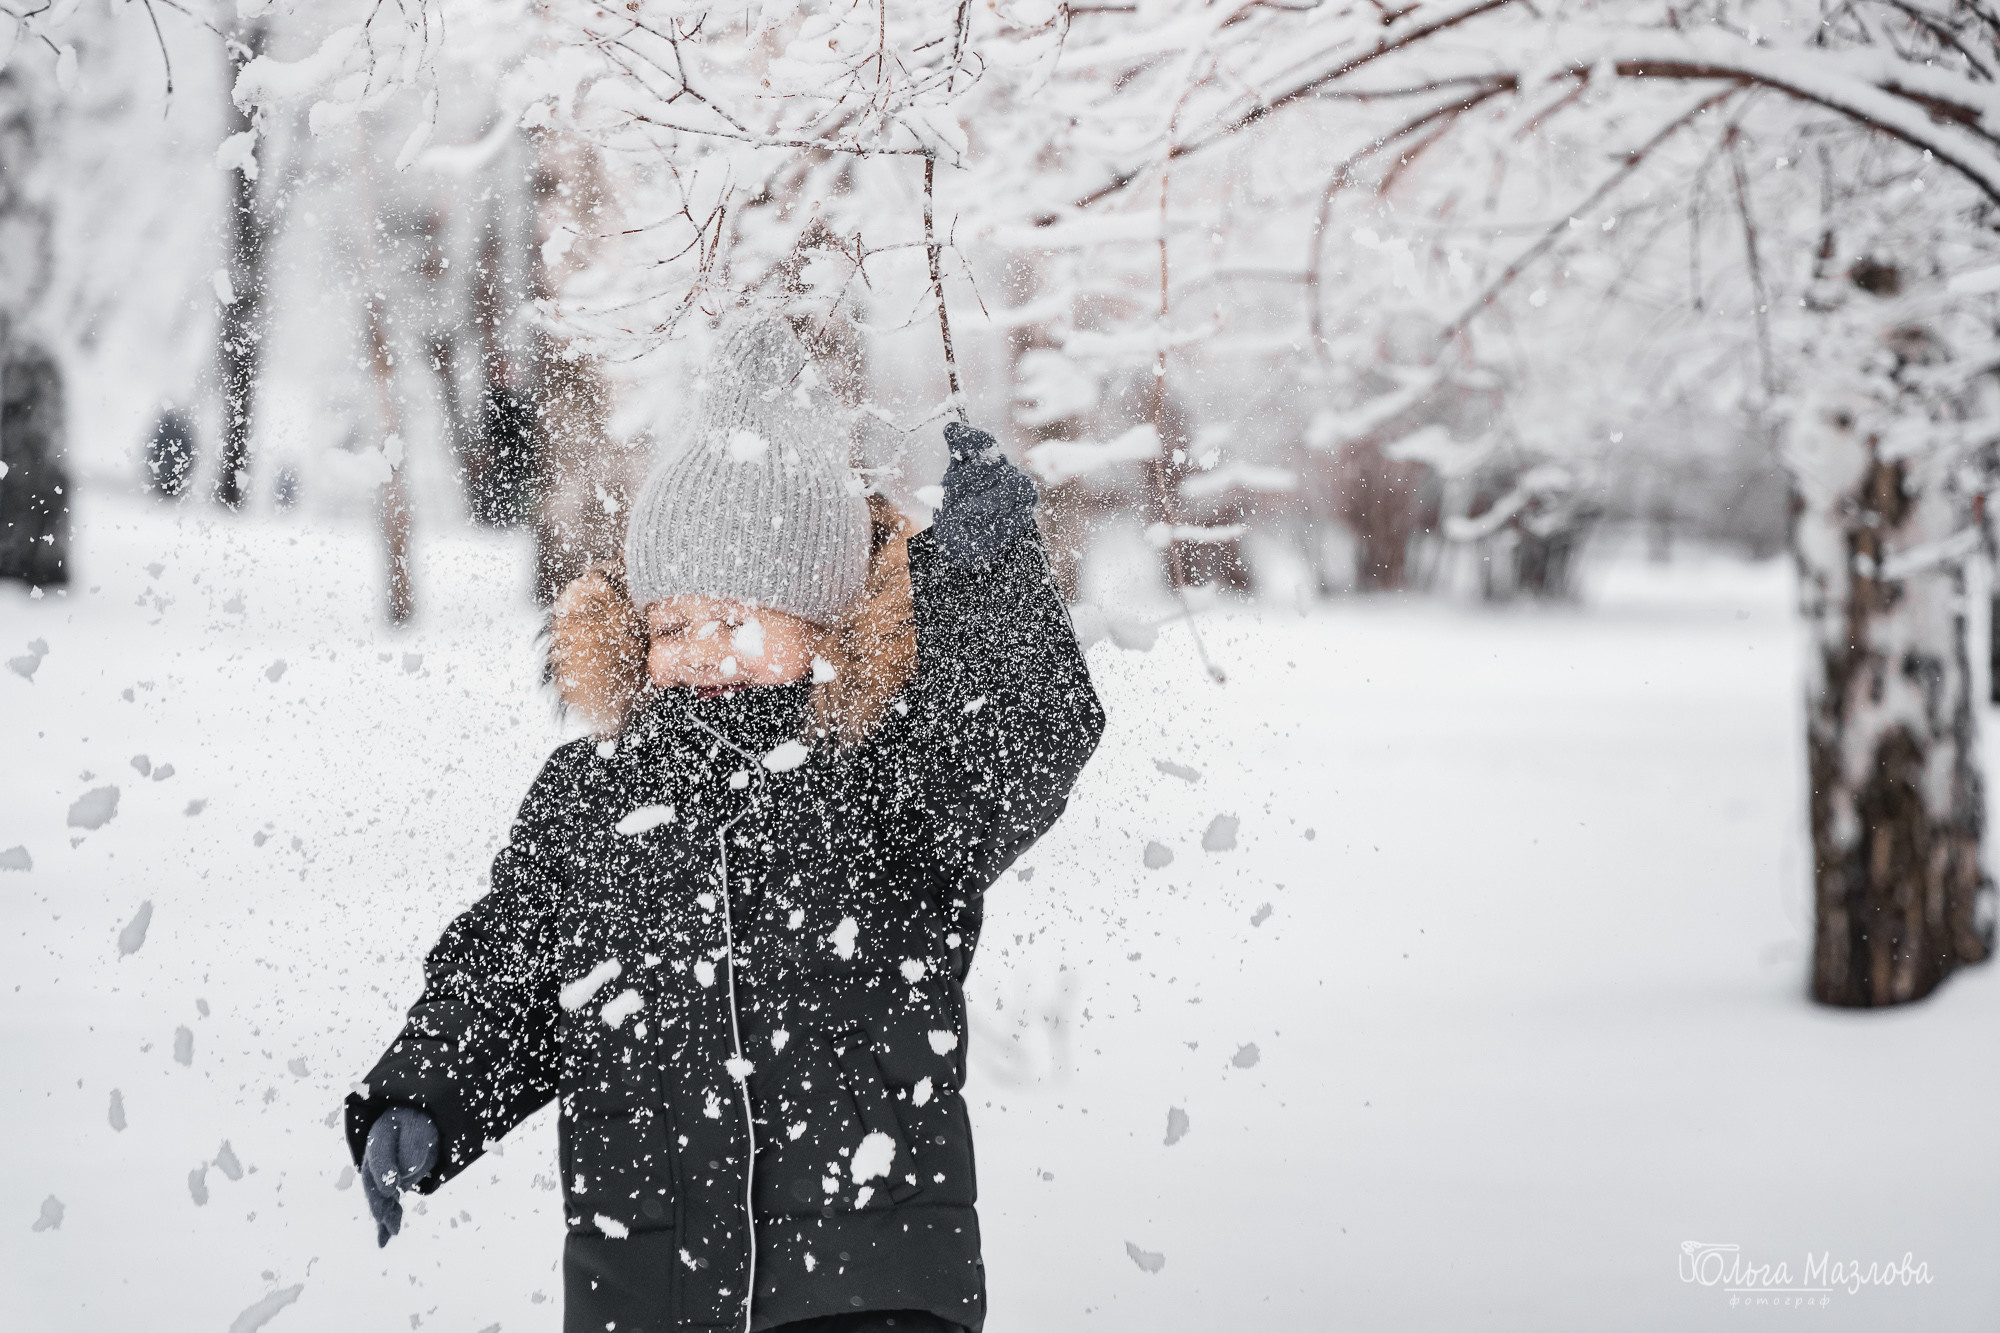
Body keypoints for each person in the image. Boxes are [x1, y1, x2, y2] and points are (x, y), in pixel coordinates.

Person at [345, 318, 1104, 1333]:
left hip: (862, 1287)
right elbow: (515, 964)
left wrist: (989, 591)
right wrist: (429, 1092)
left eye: (738, 617)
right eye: (669, 625)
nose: (701, 649)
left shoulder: (886, 775)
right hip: (651, 1291)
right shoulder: (592, 794)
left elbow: (1024, 746)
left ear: (825, 623)